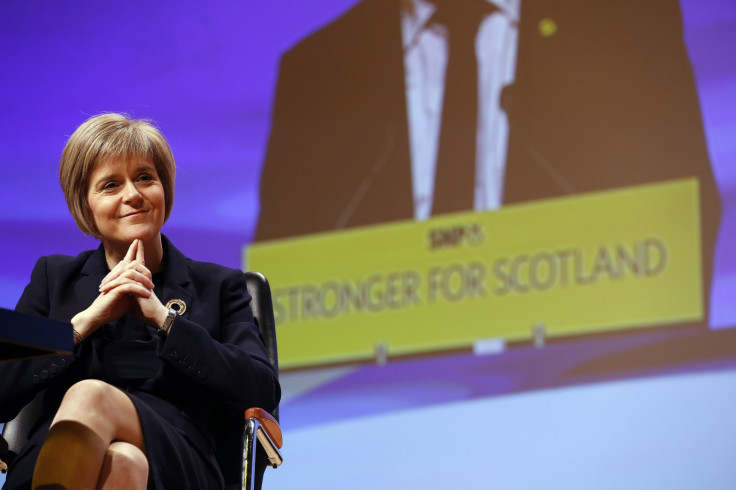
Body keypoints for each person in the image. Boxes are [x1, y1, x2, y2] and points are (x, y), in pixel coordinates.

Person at [255, 0, 720, 323]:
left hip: (577, 394)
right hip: (382, 410)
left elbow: (684, 225)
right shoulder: (317, 68)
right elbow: (280, 289)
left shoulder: (628, 31)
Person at [0, 113, 280, 489]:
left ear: (164, 188)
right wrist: (82, 325)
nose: (133, 194)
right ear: (86, 206)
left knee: (91, 396)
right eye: (111, 184)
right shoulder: (54, 278)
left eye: (145, 177)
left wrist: (167, 322)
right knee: (125, 463)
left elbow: (261, 389)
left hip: (178, 460)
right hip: (58, 452)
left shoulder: (218, 284)